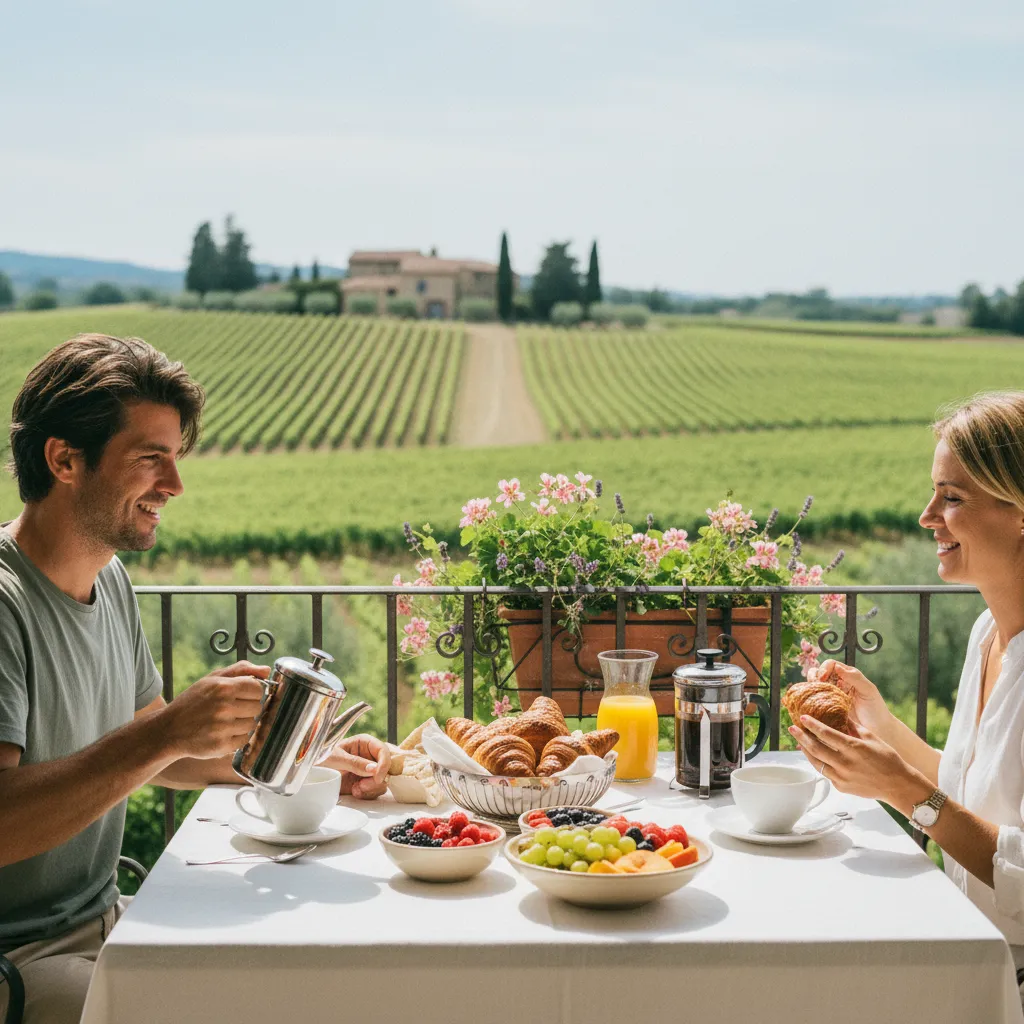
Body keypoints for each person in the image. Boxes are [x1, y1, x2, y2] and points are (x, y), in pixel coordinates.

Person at [0, 334, 391, 1024]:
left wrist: (304, 760)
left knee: (301, 978)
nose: (175, 487)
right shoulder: (5, 602)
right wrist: (165, 735)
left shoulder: (107, 580)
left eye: (175, 459)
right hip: (21, 958)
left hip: (110, 919)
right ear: (64, 459)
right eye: (152, 459)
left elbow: (165, 755)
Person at [789, 390, 1024, 989]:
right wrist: (883, 728)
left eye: (952, 497)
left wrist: (902, 790)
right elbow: (974, 794)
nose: (926, 516)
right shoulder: (988, 634)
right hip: (967, 943)